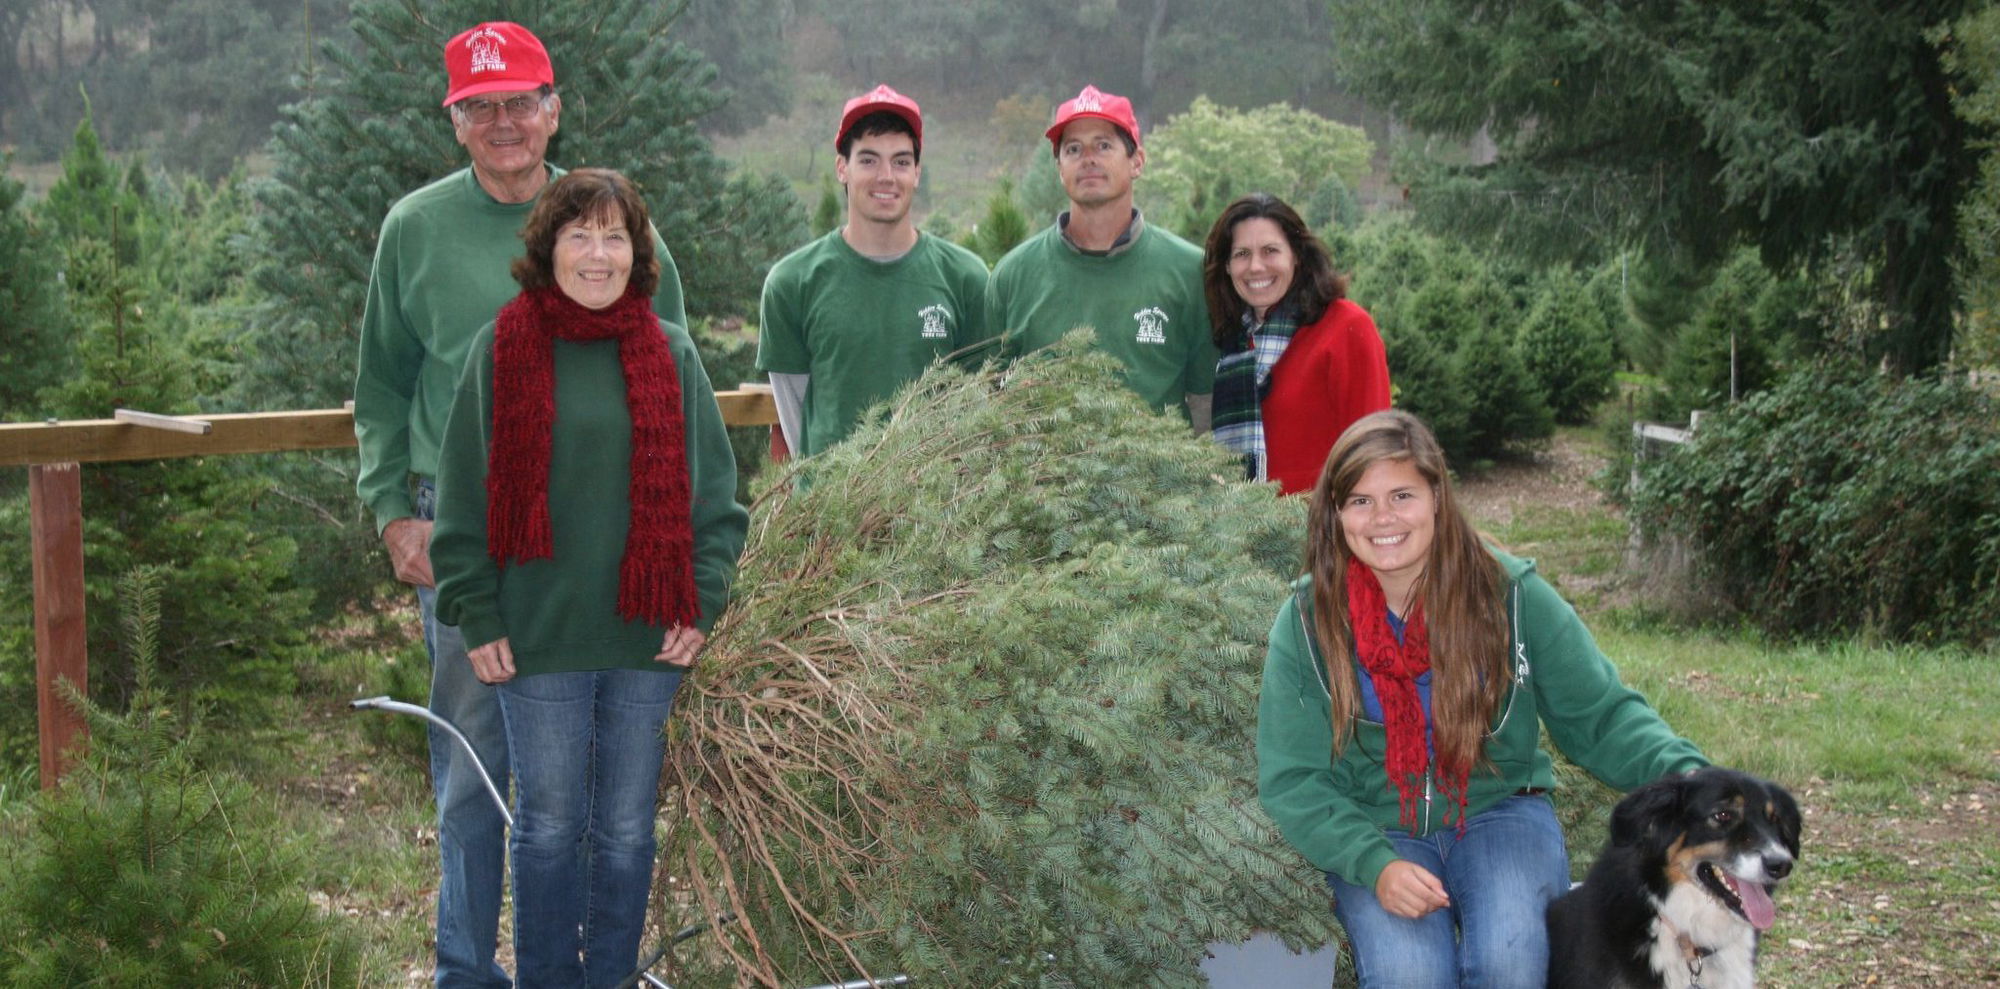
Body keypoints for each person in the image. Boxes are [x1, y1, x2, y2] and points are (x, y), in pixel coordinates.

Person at [349, 21, 688, 987]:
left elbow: (671, 373)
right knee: (472, 756)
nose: (504, 122)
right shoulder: (415, 228)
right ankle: (466, 965)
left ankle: (586, 962)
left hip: (595, 525)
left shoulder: (607, 219)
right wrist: (393, 511)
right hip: (460, 525)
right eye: (480, 105)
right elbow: (380, 388)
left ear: (554, 110)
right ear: (455, 120)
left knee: (587, 776)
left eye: (521, 102)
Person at [1256, 410, 1708, 987]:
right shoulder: (1307, 619)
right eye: (1360, 501)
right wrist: (1374, 864)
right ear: (1336, 513)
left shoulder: (1510, 596)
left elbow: (1601, 715)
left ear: (1437, 497)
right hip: (1377, 827)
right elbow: (1293, 777)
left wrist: (1693, 783)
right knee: (1409, 975)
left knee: (1510, 962)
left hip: (1502, 812)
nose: (1383, 518)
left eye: (1402, 495)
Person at [429, 169, 749, 987]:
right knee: (547, 827)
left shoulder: (671, 352)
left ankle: (610, 977)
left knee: (627, 832)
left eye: (615, 236)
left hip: (650, 636)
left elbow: (717, 501)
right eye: (580, 234)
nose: (598, 254)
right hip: (538, 639)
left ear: (638, 253)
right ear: (549, 247)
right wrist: (476, 613)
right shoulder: (501, 349)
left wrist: (703, 602)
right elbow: (461, 501)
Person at [757, 84, 989, 458]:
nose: (886, 176)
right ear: (842, 168)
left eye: (901, 162)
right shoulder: (792, 283)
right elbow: (794, 414)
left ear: (917, 172)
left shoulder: (967, 278)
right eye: (868, 160)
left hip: (935, 493)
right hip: (833, 493)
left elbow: (978, 404)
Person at [985, 84, 1216, 429]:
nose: (1088, 158)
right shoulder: (1012, 276)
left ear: (1137, 161)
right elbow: (989, 402)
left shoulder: (1190, 270)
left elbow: (1204, 403)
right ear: (1059, 168)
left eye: (1103, 145)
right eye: (1073, 149)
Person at [1203, 193, 1390, 495]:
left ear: (1297, 256)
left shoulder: (1345, 327)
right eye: (1241, 254)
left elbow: (1374, 450)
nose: (1256, 266)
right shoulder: (1233, 345)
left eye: (1270, 251)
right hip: (1242, 519)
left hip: (1323, 519)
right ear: (1226, 266)